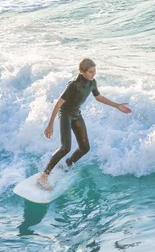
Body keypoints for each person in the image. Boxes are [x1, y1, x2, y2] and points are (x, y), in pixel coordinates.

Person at [38, 58, 131, 190]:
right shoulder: (74, 84)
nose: (93, 74)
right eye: (90, 72)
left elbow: (98, 97)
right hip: (65, 113)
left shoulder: (92, 82)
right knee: (66, 147)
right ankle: (43, 176)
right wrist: (50, 125)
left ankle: (66, 165)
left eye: (94, 71)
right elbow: (59, 104)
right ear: (82, 72)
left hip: (76, 114)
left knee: (85, 147)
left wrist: (117, 106)